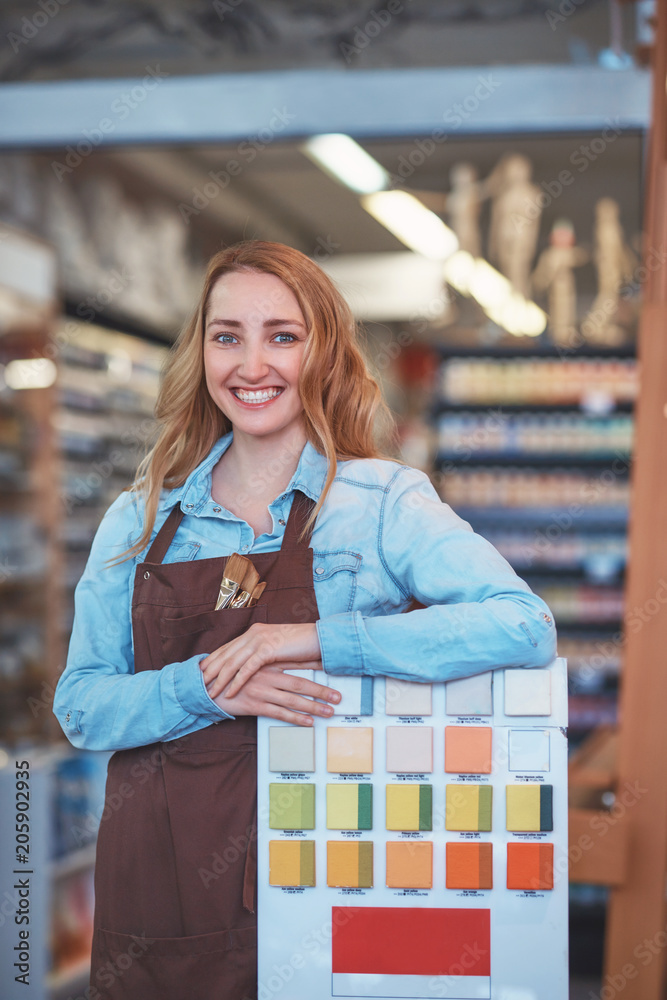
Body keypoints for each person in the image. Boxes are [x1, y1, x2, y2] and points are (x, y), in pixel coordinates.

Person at [53, 239, 557, 1000]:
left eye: (281, 336)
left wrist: (320, 640)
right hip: (164, 896)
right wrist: (211, 688)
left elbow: (521, 624)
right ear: (202, 352)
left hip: (338, 873)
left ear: (323, 352)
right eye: (228, 336)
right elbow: (82, 706)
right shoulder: (140, 517)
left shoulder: (380, 503)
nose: (251, 365)